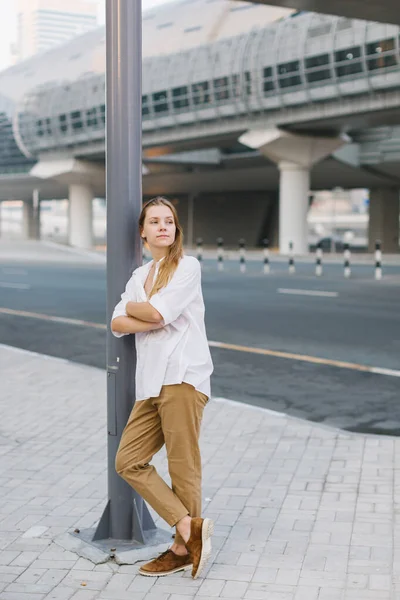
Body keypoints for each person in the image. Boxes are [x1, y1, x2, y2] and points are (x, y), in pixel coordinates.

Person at [111, 196, 214, 579]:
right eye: (154, 221)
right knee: (128, 460)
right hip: (150, 382)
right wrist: (149, 315)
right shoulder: (139, 276)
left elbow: (153, 313)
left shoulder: (187, 266)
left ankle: (180, 548)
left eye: (168, 221)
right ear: (143, 231)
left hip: (183, 376)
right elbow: (116, 323)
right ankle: (189, 528)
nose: (162, 227)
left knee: (182, 465)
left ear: (175, 229)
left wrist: (144, 312)